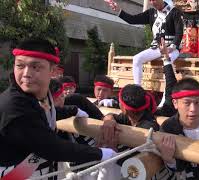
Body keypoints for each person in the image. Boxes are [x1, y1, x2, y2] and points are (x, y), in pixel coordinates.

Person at [0, 39, 118, 178]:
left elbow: (48, 113)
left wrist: (74, 110)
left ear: (53, 70)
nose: (26, 73)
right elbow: (51, 147)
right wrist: (102, 153)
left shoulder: (37, 95)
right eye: (20, 66)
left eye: (35, 67)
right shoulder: (13, 105)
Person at [104, 0, 183, 85]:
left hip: (171, 48)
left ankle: (166, 94)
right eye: (150, 0)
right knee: (137, 59)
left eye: (154, 0)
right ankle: (138, 87)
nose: (152, 3)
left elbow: (179, 33)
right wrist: (118, 10)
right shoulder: (151, 12)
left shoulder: (174, 12)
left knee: (167, 63)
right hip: (157, 47)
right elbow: (133, 19)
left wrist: (172, 47)